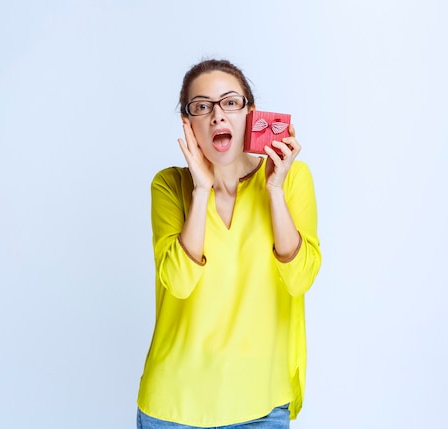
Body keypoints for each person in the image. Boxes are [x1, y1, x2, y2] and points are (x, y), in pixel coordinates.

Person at [136, 59, 322, 428]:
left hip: (261, 405)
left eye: (230, 102)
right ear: (189, 124)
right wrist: (202, 189)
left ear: (251, 114)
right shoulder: (171, 186)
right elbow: (179, 281)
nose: (217, 115)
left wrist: (274, 189)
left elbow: (300, 278)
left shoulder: (291, 178)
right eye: (202, 106)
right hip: (174, 407)